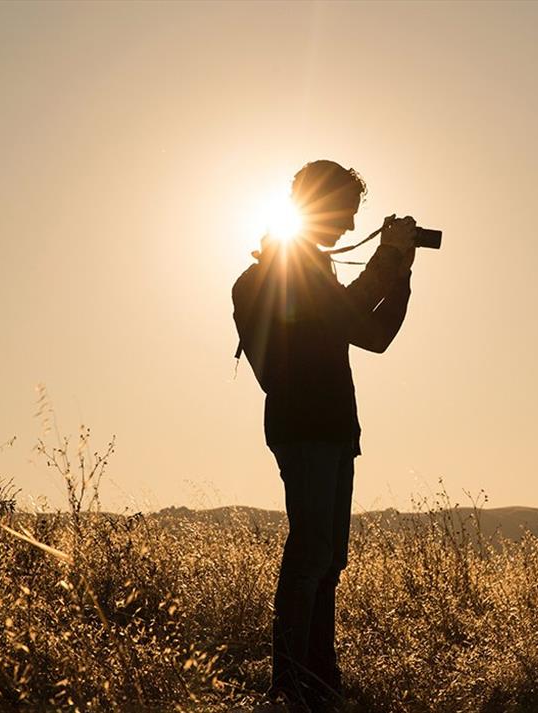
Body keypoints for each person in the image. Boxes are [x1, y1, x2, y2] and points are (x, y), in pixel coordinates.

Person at [231, 160, 416, 711]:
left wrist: (400, 271)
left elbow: (374, 334)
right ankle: (289, 683)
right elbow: (344, 316)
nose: (347, 226)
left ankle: (318, 679)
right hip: (306, 424)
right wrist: (388, 258)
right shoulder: (287, 267)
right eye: (345, 213)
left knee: (329, 558)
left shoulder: (314, 269)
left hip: (333, 426)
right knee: (311, 554)